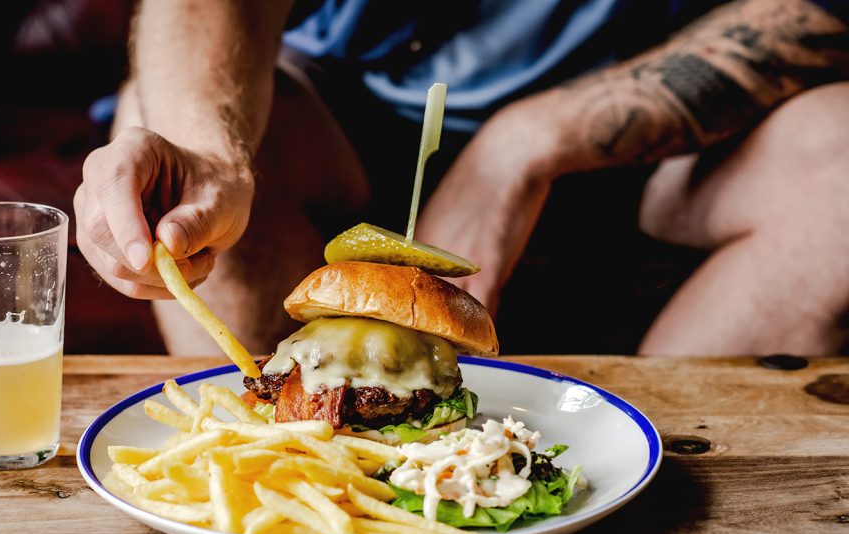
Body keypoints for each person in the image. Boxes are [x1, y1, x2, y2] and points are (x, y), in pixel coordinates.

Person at [74, 0, 849, 356]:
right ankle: (292, 462)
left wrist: (521, 144)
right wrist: (212, 154)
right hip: (359, 103)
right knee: (166, 114)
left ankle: (649, 476)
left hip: (645, 131)